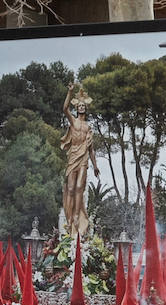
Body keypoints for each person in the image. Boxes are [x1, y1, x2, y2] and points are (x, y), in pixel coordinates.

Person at [60, 83, 100, 238]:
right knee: (70, 188)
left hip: (83, 158)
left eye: (84, 105)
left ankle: (77, 216)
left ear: (86, 108)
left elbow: (91, 149)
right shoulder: (73, 121)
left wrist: (95, 166)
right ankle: (69, 219)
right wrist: (70, 93)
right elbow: (64, 109)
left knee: (79, 188)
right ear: (77, 107)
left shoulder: (88, 127)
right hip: (73, 156)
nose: (82, 107)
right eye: (80, 105)